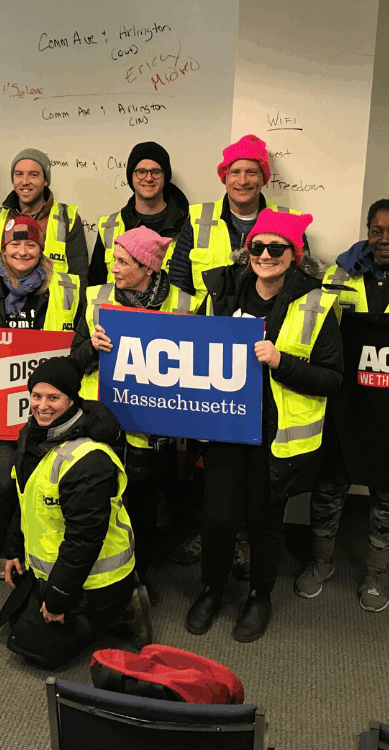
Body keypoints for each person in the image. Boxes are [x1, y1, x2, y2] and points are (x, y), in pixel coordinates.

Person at [185, 209, 342, 642]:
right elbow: (193, 357)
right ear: (247, 250)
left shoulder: (316, 303)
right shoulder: (220, 293)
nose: (266, 255)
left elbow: (332, 379)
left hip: (275, 436)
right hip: (224, 428)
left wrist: (280, 362)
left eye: (278, 248)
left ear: (295, 255)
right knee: (217, 518)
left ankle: (259, 595)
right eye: (258, 246)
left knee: (263, 521)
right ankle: (212, 589)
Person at [72, 227, 192, 598]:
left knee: (143, 512)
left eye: (124, 262)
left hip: (152, 435)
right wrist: (91, 349)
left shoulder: (184, 305)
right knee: (96, 508)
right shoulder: (97, 298)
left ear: (149, 268)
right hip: (101, 428)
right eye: (113, 260)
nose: (114, 269)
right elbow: (73, 361)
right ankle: (93, 579)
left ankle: (138, 579)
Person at [0, 357, 137, 669]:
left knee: (35, 652)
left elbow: (84, 539)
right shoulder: (33, 434)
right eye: (36, 396)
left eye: (53, 398)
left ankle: (119, 608)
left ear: (72, 400)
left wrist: (59, 598)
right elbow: (26, 498)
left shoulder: (87, 459)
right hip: (62, 565)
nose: (42, 406)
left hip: (98, 578)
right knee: (12, 622)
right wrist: (13, 550)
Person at [0, 216, 82, 579]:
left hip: (51, 405)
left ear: (41, 248)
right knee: (5, 482)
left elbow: (80, 337)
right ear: (3, 247)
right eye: (14, 244)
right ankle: (6, 548)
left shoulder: (68, 287)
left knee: (51, 482)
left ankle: (47, 551)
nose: (22, 250)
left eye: (31, 244)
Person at [294, 198, 389, 611]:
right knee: (329, 487)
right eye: (377, 230)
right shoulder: (340, 273)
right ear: (367, 231)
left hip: (386, 412)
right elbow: (315, 328)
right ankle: (321, 562)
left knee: (386, 496)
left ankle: (376, 572)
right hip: (345, 403)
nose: (384, 239)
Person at [169, 134, 302, 312]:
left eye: (251, 172)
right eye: (235, 172)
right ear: (225, 178)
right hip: (206, 327)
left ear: (263, 179)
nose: (242, 181)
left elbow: (300, 283)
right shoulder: (197, 219)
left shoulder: (288, 221)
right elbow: (178, 284)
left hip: (266, 330)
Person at [0, 148, 88, 293]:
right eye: (19, 174)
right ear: (13, 179)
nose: (25, 181)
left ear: (45, 180)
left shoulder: (68, 218)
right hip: (2, 310)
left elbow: (80, 278)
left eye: (33, 175)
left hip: (51, 310)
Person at [88, 141, 189, 286]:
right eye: (141, 171)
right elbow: (96, 284)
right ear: (131, 176)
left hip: (169, 309)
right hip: (117, 309)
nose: (148, 178)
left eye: (156, 171)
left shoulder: (187, 223)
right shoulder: (109, 226)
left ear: (165, 176)